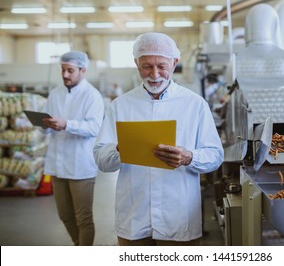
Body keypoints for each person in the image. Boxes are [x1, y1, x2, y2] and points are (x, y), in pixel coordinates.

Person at [93, 32, 224, 246]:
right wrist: (121, 148)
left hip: (178, 216)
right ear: (136, 63)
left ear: (174, 63)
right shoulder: (121, 105)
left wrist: (189, 157)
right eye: (147, 66)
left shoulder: (194, 104)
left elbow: (216, 155)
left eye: (161, 66)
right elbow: (101, 159)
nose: (154, 74)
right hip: (134, 217)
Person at [42, 50, 105, 246]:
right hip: (57, 164)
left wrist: (67, 124)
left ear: (82, 70)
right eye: (63, 70)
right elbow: (48, 123)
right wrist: (45, 126)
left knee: (83, 218)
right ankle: (80, 247)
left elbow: (95, 127)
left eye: (70, 70)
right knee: (64, 216)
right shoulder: (55, 93)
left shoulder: (92, 95)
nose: (65, 75)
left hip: (81, 166)